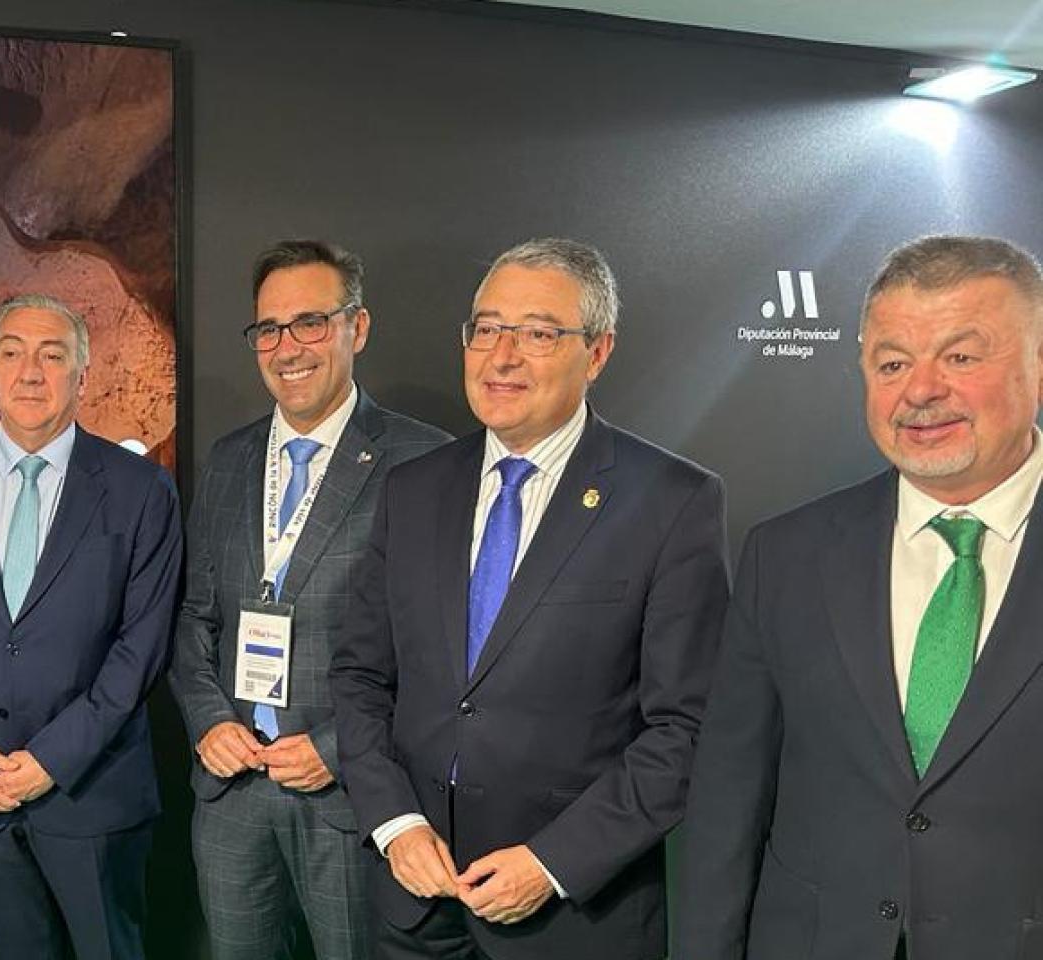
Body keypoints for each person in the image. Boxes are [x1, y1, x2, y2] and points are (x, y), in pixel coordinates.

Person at [330, 238, 729, 959]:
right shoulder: (414, 490)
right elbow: (360, 676)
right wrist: (394, 824)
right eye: (486, 329)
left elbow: (687, 730)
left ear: (598, 352)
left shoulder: (672, 502)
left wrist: (552, 862)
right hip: (415, 904)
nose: (501, 356)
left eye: (539, 334)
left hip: (572, 918)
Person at [676, 235, 1043, 960]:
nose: (920, 389)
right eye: (892, 363)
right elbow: (727, 802)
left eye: (961, 357)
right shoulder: (785, 554)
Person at [170, 239, 450, 959]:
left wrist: (337, 748)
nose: (286, 347)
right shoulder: (229, 460)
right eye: (268, 328)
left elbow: (446, 651)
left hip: (348, 795)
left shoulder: (425, 462)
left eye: (310, 323)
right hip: (232, 795)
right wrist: (207, 723)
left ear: (357, 328)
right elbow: (194, 617)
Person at [0, 294, 183, 960]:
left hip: (93, 796)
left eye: (52, 356)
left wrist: (52, 758)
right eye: (12, 353)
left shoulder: (140, 489)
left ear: (82, 373)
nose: (29, 373)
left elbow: (142, 650)